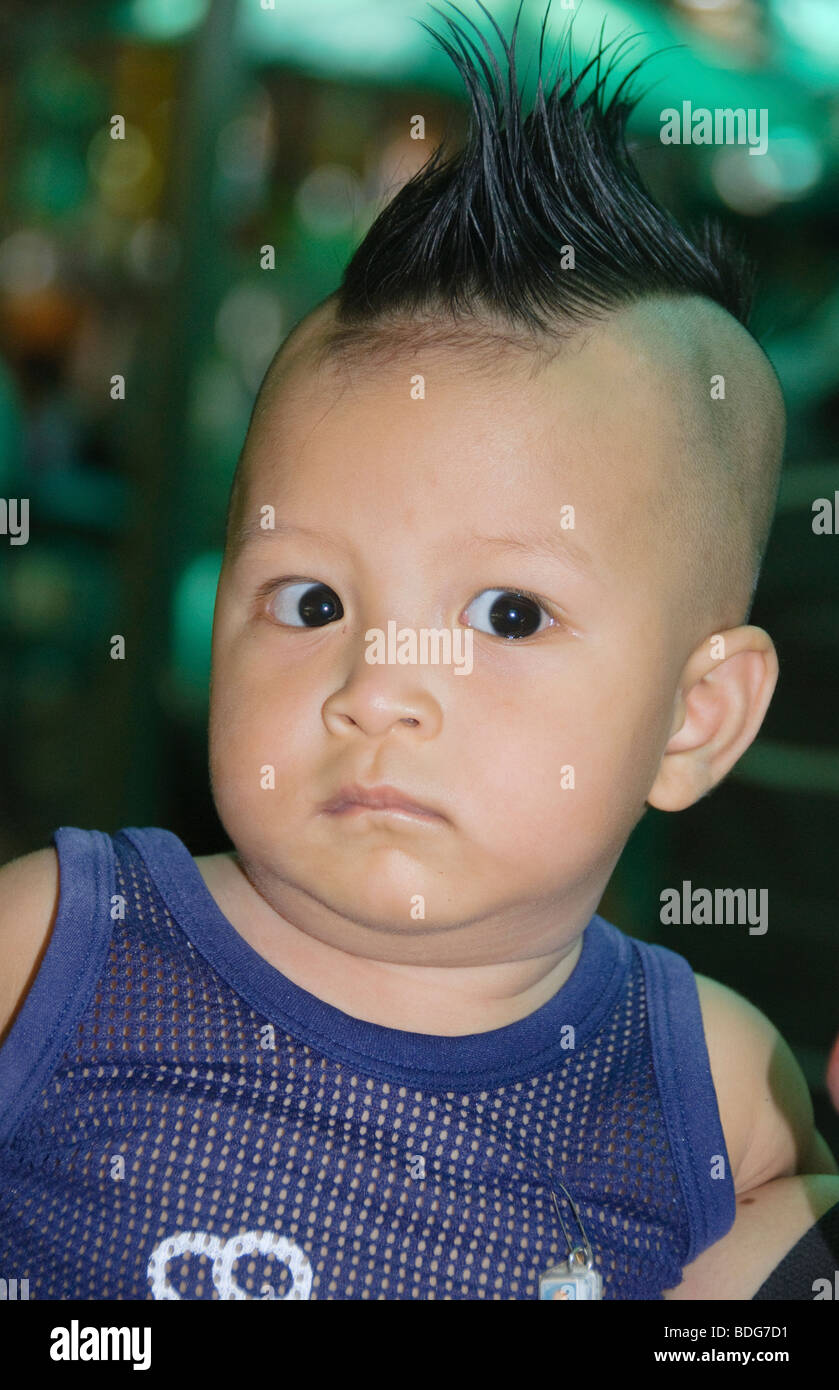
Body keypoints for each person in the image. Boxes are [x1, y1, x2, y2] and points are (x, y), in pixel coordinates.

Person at [0, 1, 836, 1300]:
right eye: (312, 600)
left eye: (508, 614)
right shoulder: (59, 946)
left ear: (695, 715)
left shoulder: (713, 1093)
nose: (377, 683)